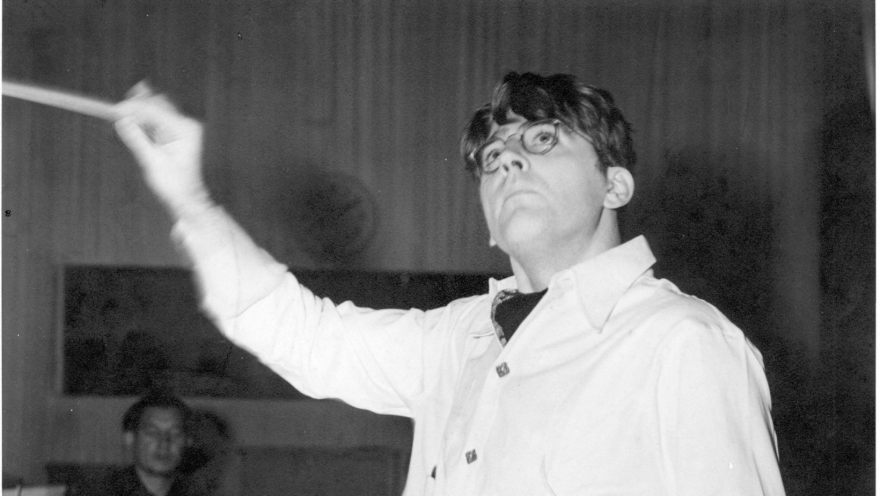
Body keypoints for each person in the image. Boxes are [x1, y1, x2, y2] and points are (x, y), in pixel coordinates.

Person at [113, 72, 786, 495]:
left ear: (615, 183)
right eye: (493, 159)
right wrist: (190, 200)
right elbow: (298, 329)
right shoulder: (455, 338)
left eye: (543, 141)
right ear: (490, 224)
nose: (509, 160)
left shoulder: (683, 342)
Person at [74, 391, 193, 496]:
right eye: (152, 433)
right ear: (129, 438)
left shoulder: (198, 491)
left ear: (188, 441)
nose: (164, 444)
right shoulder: (96, 491)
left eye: (175, 434)